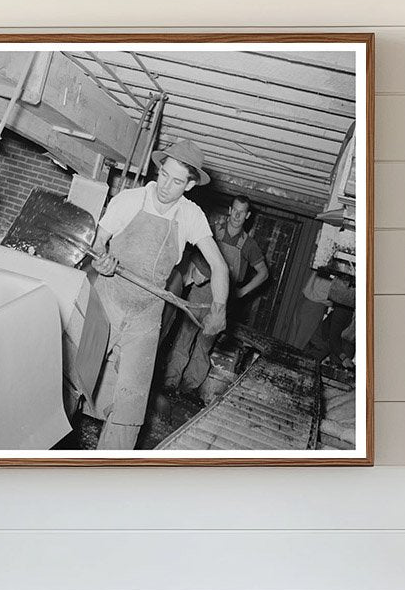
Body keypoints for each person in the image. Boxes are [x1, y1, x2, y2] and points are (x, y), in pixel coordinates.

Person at [88, 139, 229, 450]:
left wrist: (218, 310)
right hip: (107, 299)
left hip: (146, 314)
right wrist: (103, 261)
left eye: (177, 181)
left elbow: (219, 266)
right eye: (164, 174)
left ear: (190, 184)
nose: (166, 186)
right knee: (74, 378)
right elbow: (98, 244)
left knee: (131, 404)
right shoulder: (130, 199)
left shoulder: (190, 215)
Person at [163, 194, 269, 393]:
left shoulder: (248, 245)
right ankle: (170, 382)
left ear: (247, 216)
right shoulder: (212, 230)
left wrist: (243, 291)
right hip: (198, 293)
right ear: (229, 210)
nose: (237, 216)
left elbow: (264, 273)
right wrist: (193, 273)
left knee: (204, 345)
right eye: (234, 210)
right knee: (184, 337)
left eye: (242, 213)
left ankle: (188, 387)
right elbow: (191, 251)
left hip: (220, 301)